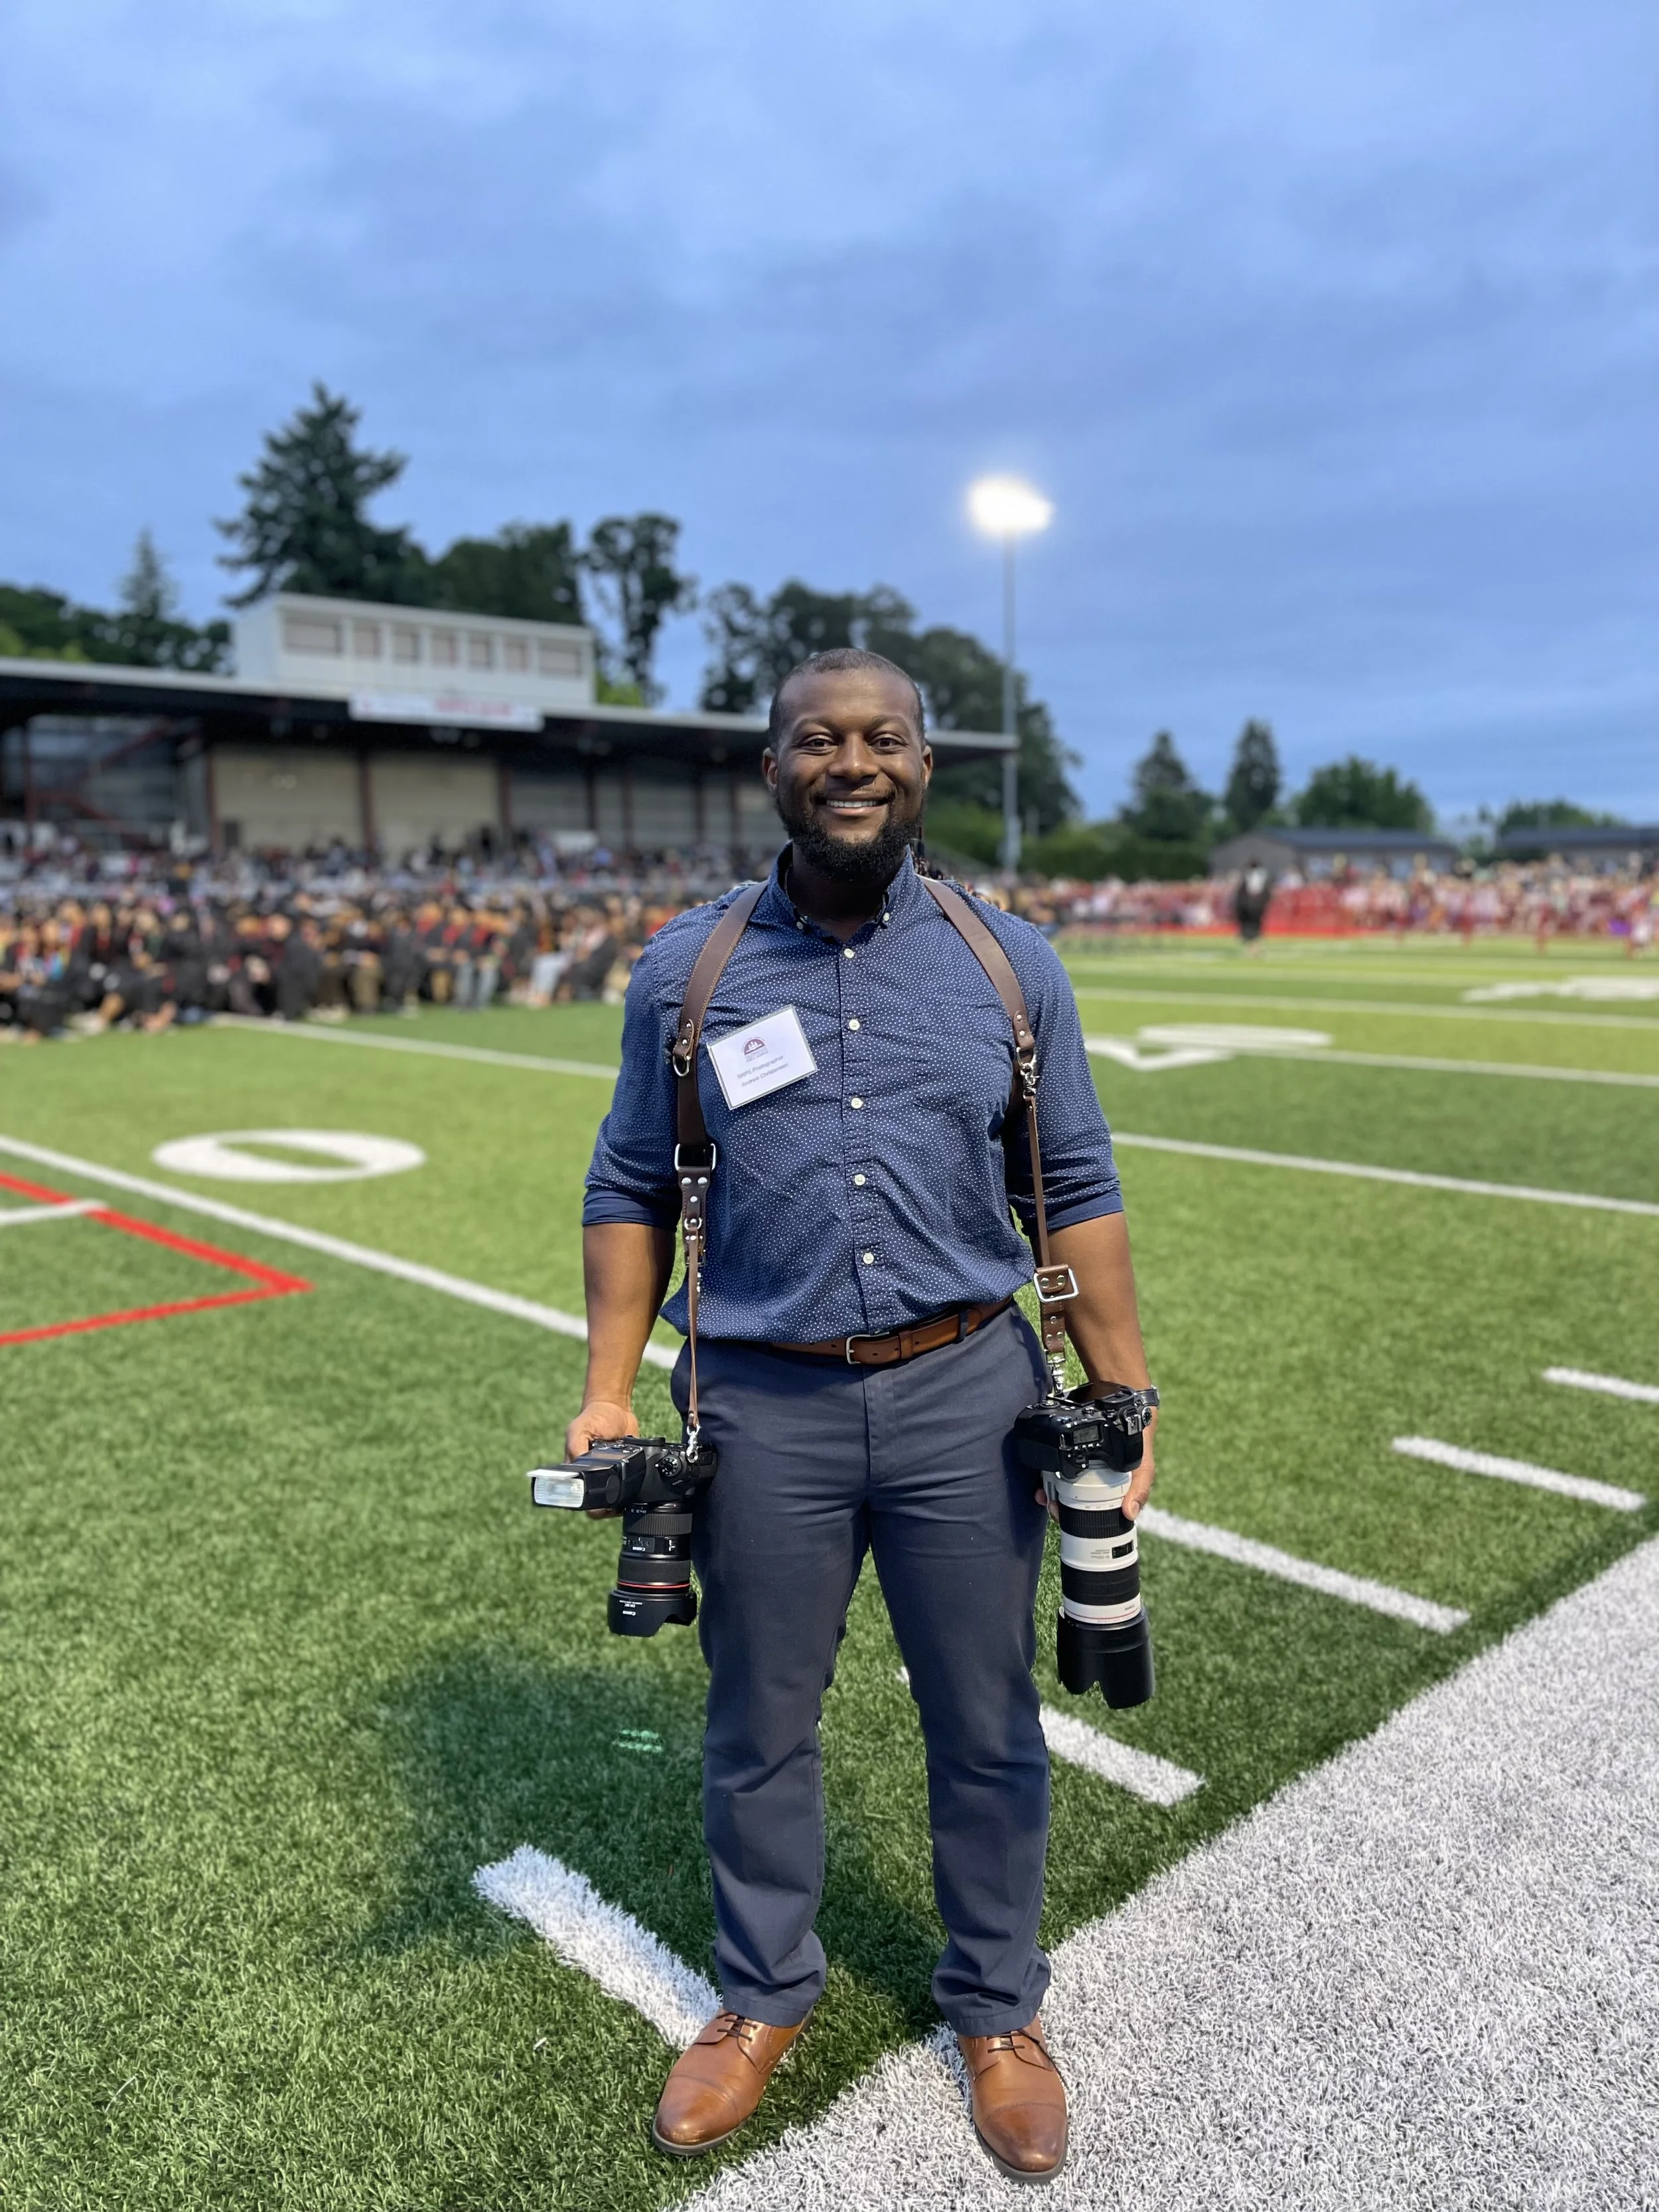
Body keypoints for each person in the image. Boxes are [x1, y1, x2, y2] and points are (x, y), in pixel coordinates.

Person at [574, 649, 1157, 2184]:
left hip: (972, 1390)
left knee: (984, 1721)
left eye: (882, 737)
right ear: (767, 768)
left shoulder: (1005, 962)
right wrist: (604, 1385)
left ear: (922, 765)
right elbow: (629, 1181)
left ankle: (996, 2006)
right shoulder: (686, 970)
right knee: (756, 1722)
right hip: (760, 1399)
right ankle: (763, 1992)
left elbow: (1076, 1183)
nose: (852, 760)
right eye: (817, 738)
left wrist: (1119, 1390)